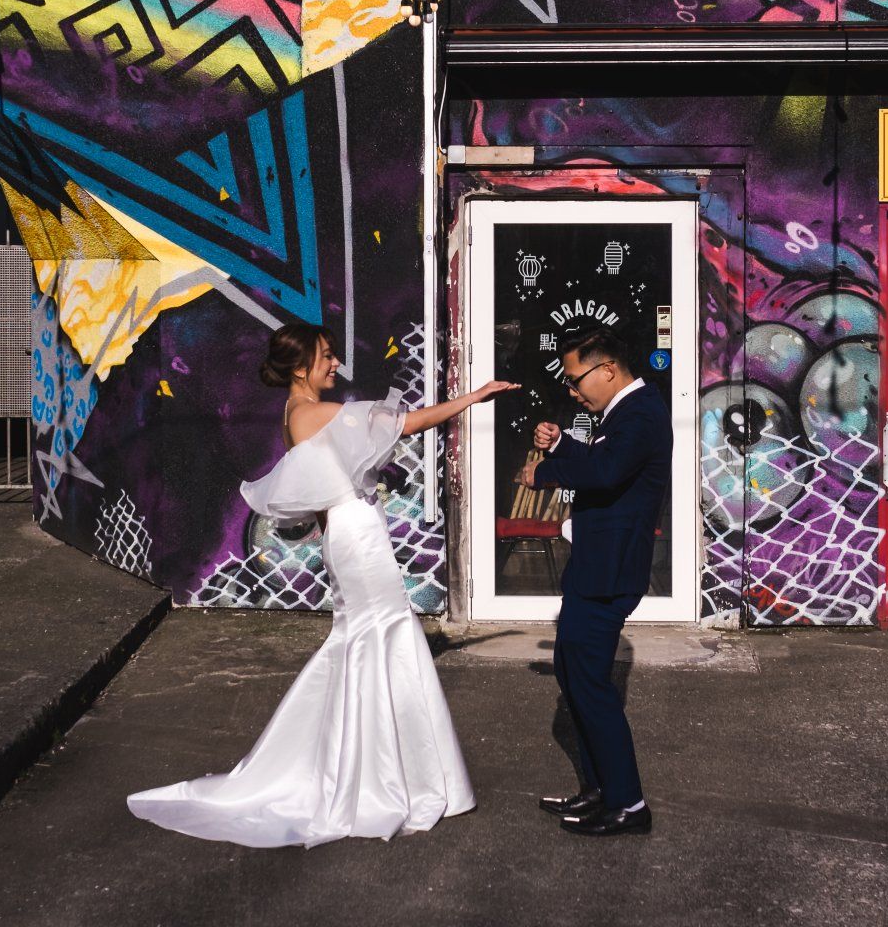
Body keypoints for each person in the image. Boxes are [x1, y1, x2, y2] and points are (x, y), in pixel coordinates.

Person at [127, 323, 518, 848]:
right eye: (326, 358)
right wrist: (474, 396)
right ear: (299, 366)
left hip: (350, 537)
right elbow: (407, 423)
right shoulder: (314, 413)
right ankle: (382, 781)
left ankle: (376, 770)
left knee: (369, 642)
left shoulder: (295, 416)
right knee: (381, 637)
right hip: (358, 539)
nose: (335, 365)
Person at [517, 324, 673, 837]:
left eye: (575, 378)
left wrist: (545, 471)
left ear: (607, 368)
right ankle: (598, 790)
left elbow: (605, 473)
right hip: (595, 565)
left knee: (590, 686)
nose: (572, 389)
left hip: (610, 571)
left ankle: (628, 805)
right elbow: (603, 465)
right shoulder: (619, 413)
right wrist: (562, 442)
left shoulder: (642, 413)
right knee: (573, 675)